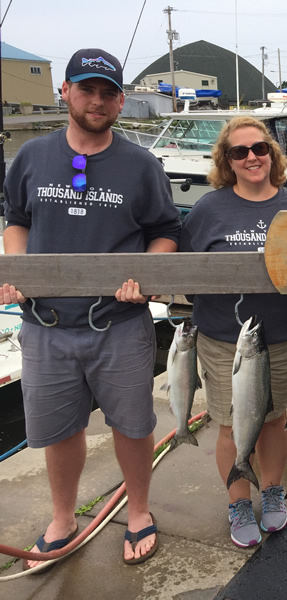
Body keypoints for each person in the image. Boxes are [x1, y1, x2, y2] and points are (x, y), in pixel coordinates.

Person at [1, 48, 181, 567]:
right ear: (66, 92)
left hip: (119, 324)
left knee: (133, 424)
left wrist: (146, 277)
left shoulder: (142, 165)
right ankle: (62, 517)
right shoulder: (31, 157)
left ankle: (140, 510)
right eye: (86, 89)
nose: (96, 100)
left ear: (121, 101)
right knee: (59, 431)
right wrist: (18, 269)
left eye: (107, 92)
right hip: (45, 325)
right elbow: (16, 218)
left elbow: (164, 232)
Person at [179, 116, 287, 548]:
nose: (252, 157)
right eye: (240, 151)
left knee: (274, 422)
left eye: (259, 149)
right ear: (226, 160)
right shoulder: (207, 209)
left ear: (272, 154)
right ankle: (238, 500)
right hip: (223, 341)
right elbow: (186, 275)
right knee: (232, 427)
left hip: (284, 336)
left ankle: (271, 490)